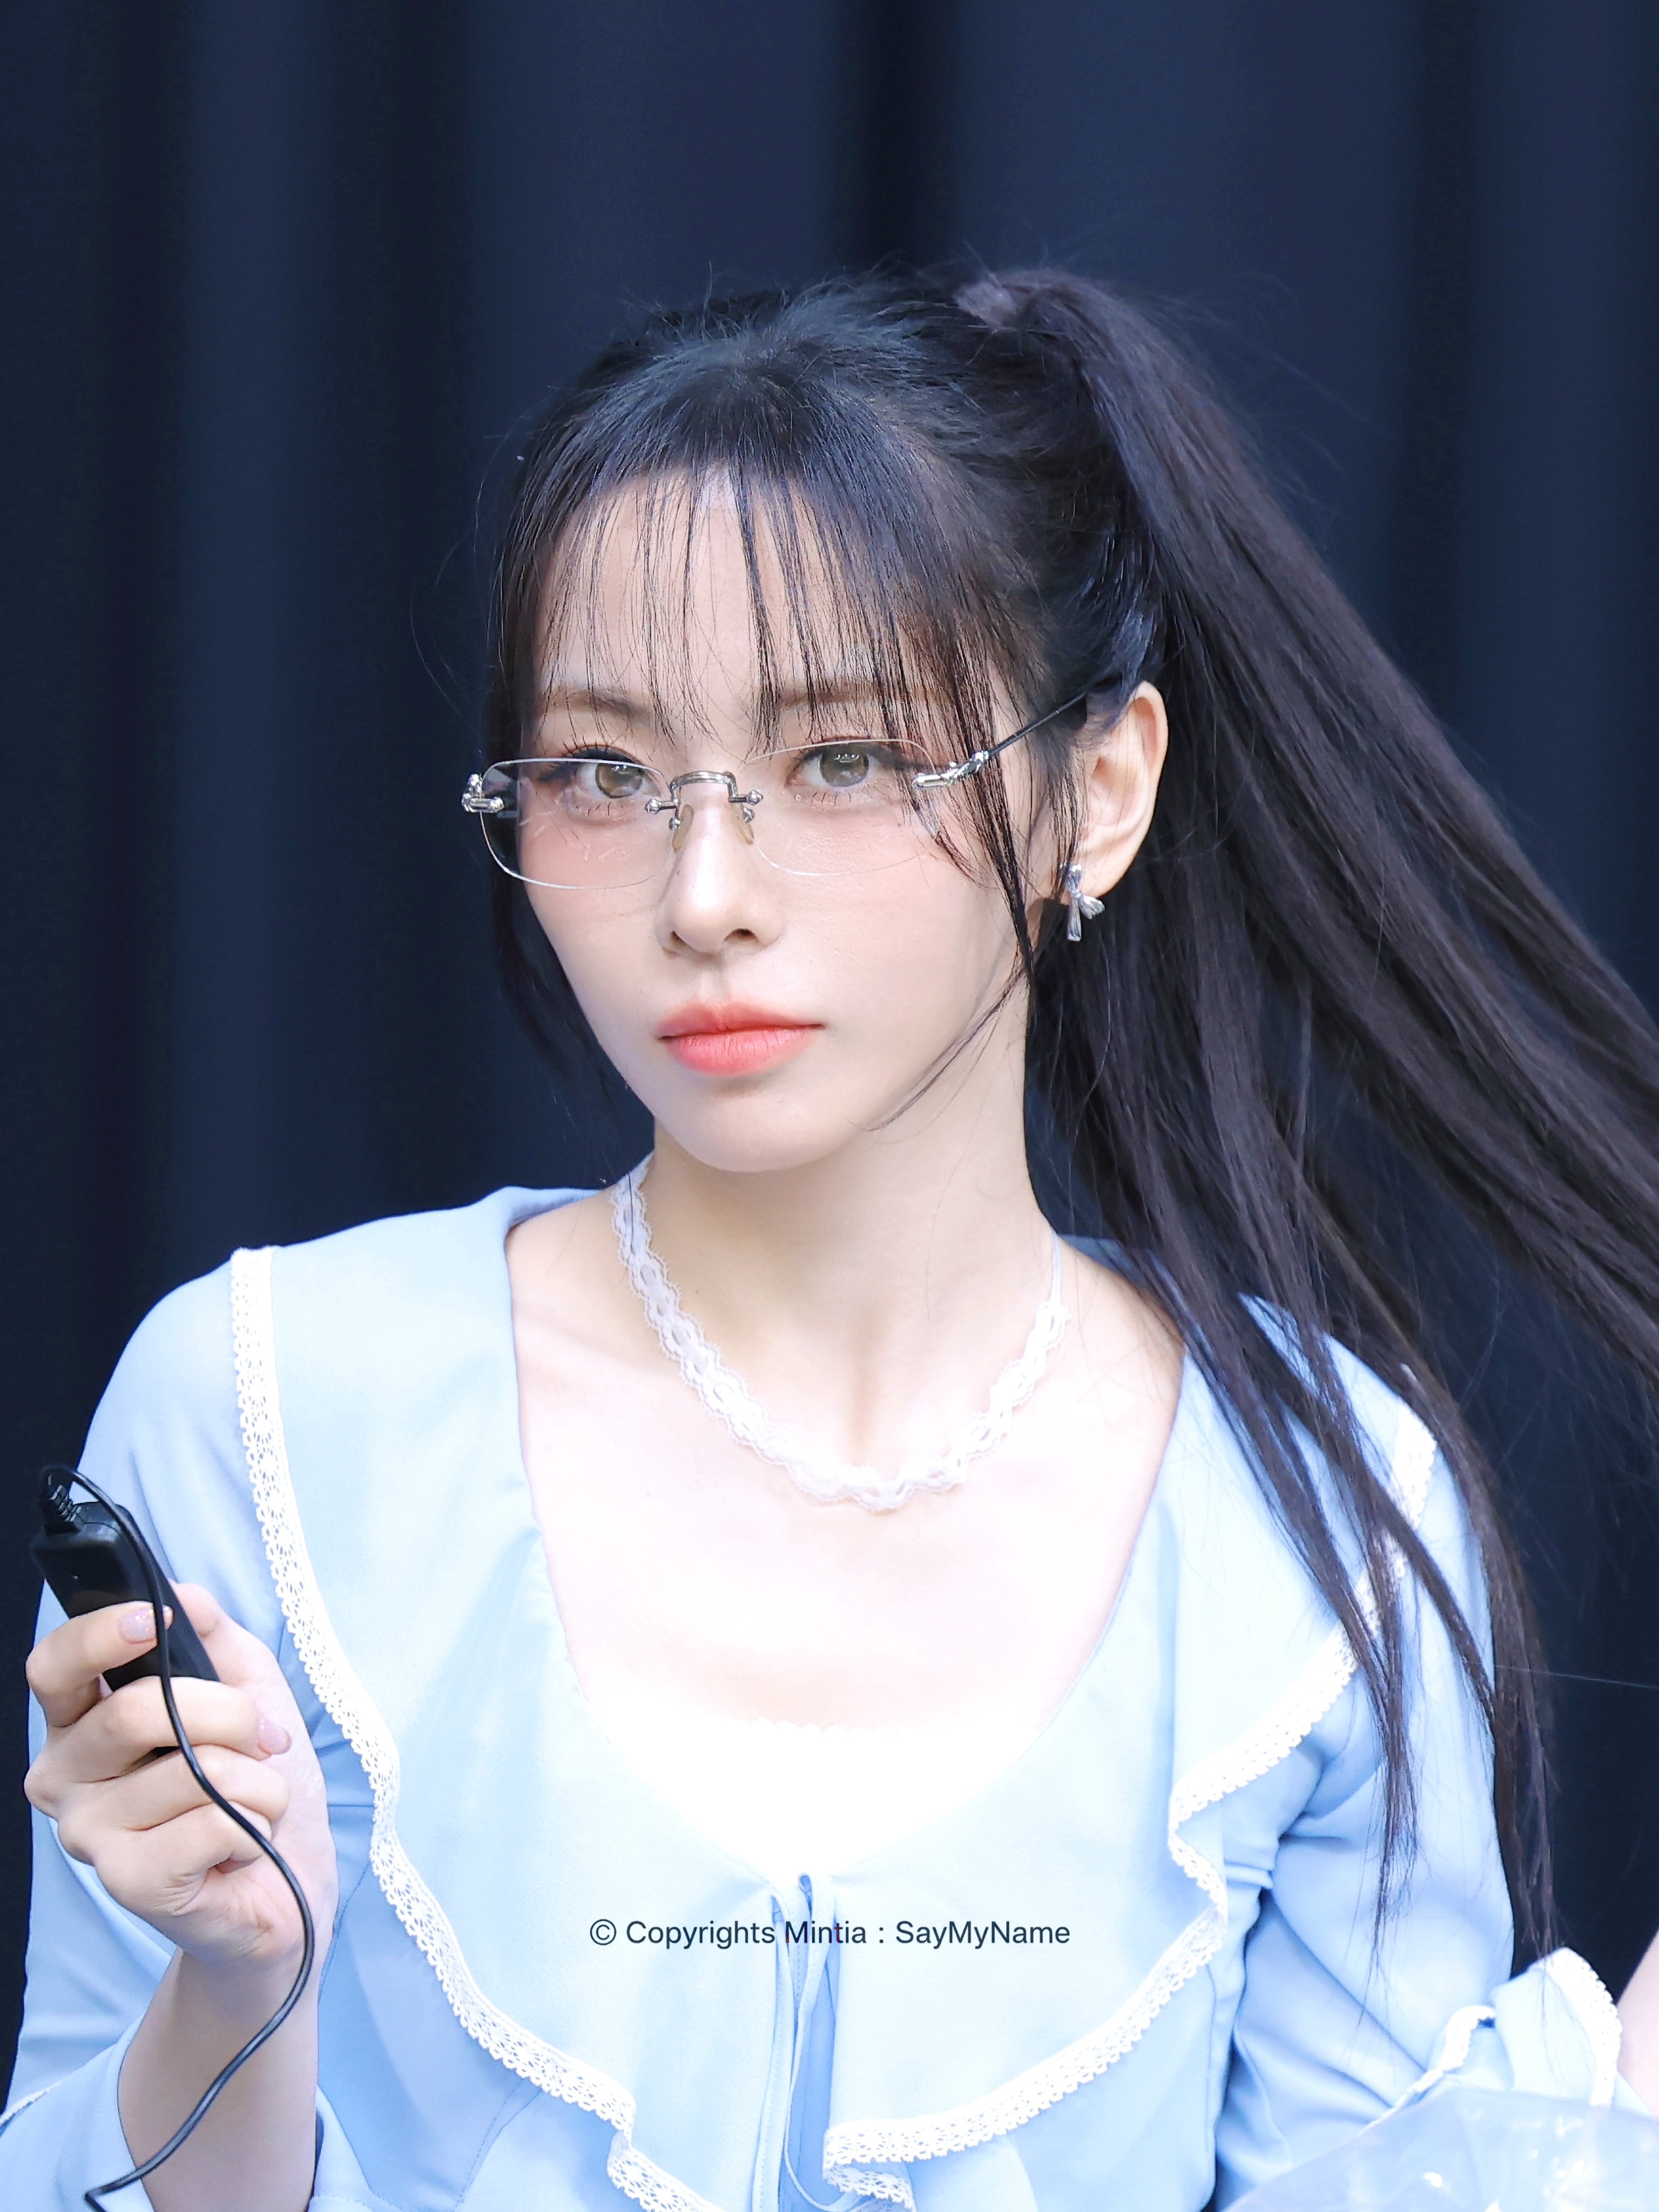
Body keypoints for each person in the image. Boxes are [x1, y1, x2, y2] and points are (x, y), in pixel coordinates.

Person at [6, 268, 1659, 2212]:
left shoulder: (1320, 1527)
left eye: (846, 763)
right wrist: (235, 1990)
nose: (704, 895)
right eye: (606, 775)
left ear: (1099, 793)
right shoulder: (270, 1418)